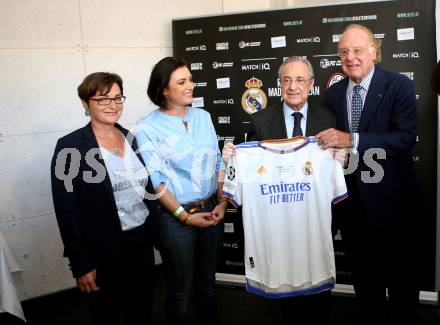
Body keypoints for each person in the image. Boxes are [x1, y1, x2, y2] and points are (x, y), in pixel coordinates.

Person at [316, 24, 420, 324]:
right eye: (344, 52)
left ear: (374, 50)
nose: (350, 57)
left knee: (402, 290)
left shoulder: (398, 85)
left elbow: (405, 139)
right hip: (353, 208)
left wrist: (353, 139)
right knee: (366, 290)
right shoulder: (334, 94)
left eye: (358, 50)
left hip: (396, 208)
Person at [223, 56, 337, 324]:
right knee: (286, 297)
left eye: (299, 79)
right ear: (279, 85)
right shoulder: (260, 121)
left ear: (311, 84)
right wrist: (232, 159)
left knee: (318, 292)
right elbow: (249, 174)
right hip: (277, 221)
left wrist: (342, 158)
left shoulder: (328, 118)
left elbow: (336, 168)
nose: (293, 86)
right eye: (287, 80)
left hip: (313, 219)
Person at [50, 72, 158, 325]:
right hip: (101, 252)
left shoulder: (131, 137)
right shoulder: (70, 146)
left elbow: (146, 189)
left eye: (118, 98)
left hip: (140, 243)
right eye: (103, 99)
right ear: (85, 103)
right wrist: (81, 264)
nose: (113, 104)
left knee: (141, 313)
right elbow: (66, 210)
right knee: (106, 317)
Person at [135, 56, 227, 325]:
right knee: (180, 290)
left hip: (212, 209)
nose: (191, 85)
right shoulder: (147, 126)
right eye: (182, 81)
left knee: (207, 284)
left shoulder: (204, 116)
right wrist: (184, 217)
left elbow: (218, 163)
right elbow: (157, 181)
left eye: (191, 79)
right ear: (164, 89)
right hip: (175, 217)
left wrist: (222, 201)